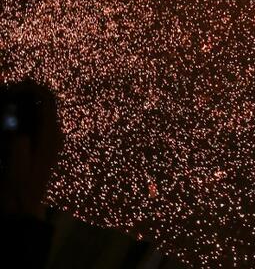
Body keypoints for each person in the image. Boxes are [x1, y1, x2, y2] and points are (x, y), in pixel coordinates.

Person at [0, 78, 184, 268]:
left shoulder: (28, 232)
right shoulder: (23, 245)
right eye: (54, 130)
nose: (60, 140)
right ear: (22, 150)